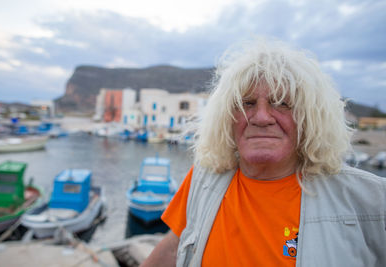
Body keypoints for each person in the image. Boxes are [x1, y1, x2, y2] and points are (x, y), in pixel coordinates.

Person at [140, 39, 386, 267]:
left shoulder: (370, 201)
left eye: (281, 102)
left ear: (310, 118)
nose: (261, 117)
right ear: (227, 117)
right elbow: (173, 248)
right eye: (246, 103)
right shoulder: (204, 178)